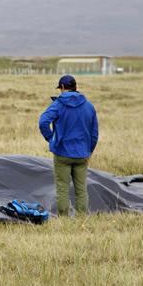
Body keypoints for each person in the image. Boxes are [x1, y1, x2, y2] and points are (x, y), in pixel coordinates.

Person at [39, 75, 99, 216]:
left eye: (60, 88)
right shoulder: (89, 106)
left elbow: (43, 122)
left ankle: (64, 220)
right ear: (75, 87)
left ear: (63, 87)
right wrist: (88, 150)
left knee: (62, 188)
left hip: (62, 153)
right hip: (82, 154)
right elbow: (94, 133)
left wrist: (51, 139)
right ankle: (81, 219)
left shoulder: (58, 104)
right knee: (81, 189)